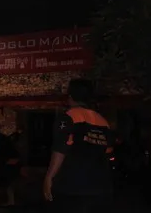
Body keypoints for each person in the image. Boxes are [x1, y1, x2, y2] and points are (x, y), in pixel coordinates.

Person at [43, 78, 114, 213]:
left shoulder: (68, 117)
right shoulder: (103, 121)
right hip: (101, 188)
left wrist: (49, 178)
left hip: (72, 189)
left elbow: (60, 150)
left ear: (70, 97)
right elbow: (108, 152)